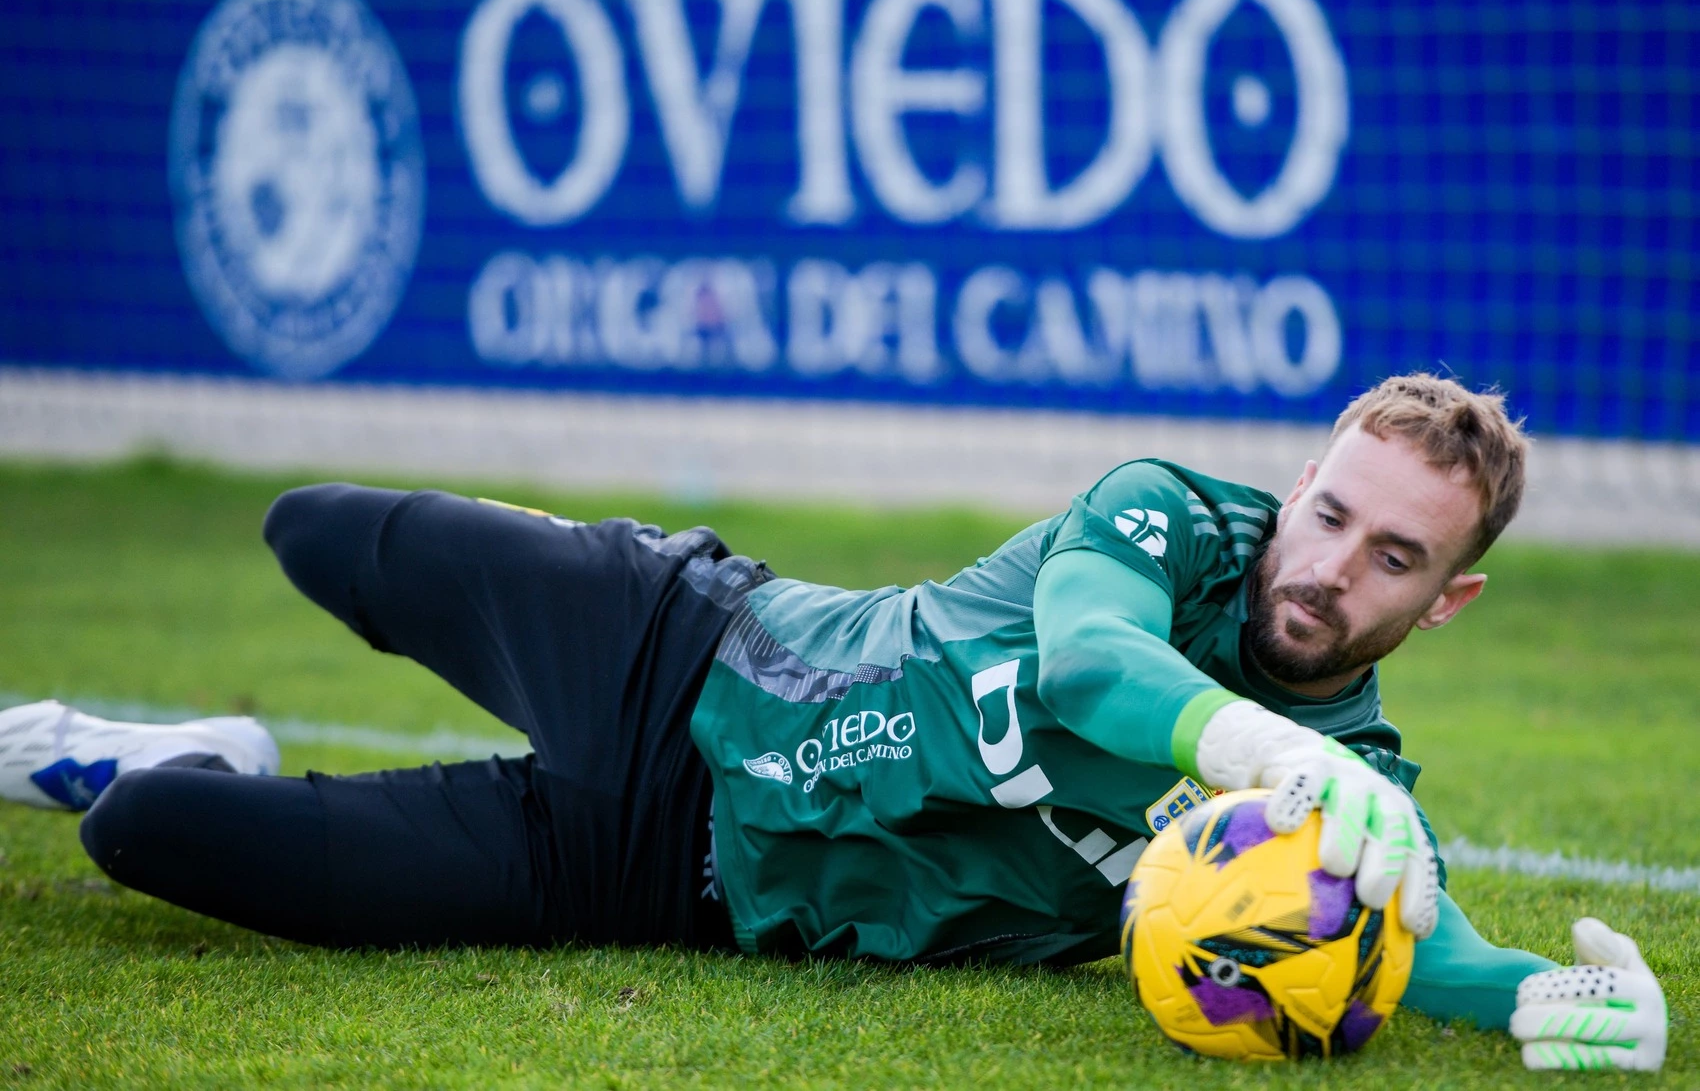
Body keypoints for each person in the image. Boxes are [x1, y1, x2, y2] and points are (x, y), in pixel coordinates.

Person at [0, 374, 1667, 1072]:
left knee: (151, 836)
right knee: (314, 523)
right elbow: (1090, 664)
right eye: (1328, 512)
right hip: (669, 642)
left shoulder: (1353, 794)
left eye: (1393, 558)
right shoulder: (1170, 520)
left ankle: (196, 760)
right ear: (1297, 482)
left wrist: (1577, 1004)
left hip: (657, 884)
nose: (1330, 571)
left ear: (1444, 600)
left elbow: (1420, 941)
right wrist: (1255, 747)